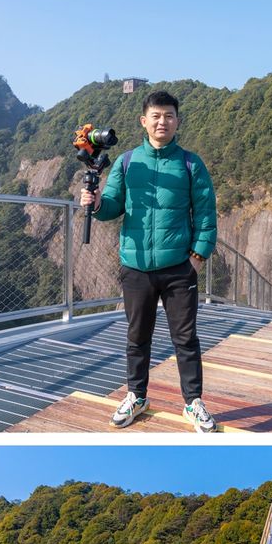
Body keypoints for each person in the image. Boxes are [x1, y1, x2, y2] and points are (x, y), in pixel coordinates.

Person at [80, 90, 218, 431]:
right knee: (136, 336)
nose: (162, 121)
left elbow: (206, 213)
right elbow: (112, 206)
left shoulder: (190, 163)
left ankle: (193, 402)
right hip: (136, 266)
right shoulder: (127, 162)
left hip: (177, 267)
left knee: (185, 338)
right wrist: (96, 201)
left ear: (177, 121)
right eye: (156, 116)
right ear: (144, 121)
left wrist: (197, 257)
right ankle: (137, 396)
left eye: (169, 115)